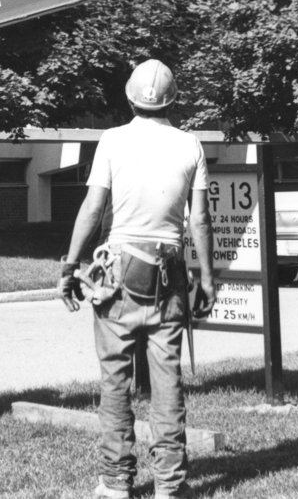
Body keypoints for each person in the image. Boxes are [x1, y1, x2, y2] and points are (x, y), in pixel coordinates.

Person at [59, 59, 217, 499]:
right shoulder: (191, 146)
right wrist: (206, 279)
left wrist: (69, 267)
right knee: (167, 380)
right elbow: (200, 222)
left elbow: (92, 210)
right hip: (170, 274)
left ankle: (116, 483)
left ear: (129, 98)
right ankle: (170, 485)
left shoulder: (112, 140)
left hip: (118, 272)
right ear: (173, 99)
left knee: (115, 381)